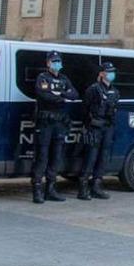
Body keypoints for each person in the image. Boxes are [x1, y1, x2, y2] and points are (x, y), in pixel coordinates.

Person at [32, 51, 79, 204]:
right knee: (42, 157)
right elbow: (44, 95)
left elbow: (74, 94)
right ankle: (37, 190)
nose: (56, 64)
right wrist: (61, 96)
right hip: (45, 123)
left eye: (58, 61)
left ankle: (50, 189)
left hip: (59, 124)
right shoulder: (42, 78)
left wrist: (59, 93)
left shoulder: (64, 79)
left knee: (56, 157)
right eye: (54, 61)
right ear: (48, 63)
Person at [78, 62, 120, 201]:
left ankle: (96, 186)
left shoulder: (115, 91)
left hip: (108, 127)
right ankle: (83, 189)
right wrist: (89, 125)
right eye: (108, 71)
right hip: (95, 127)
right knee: (91, 157)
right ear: (102, 73)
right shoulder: (93, 89)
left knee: (103, 157)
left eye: (112, 71)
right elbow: (85, 109)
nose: (111, 74)